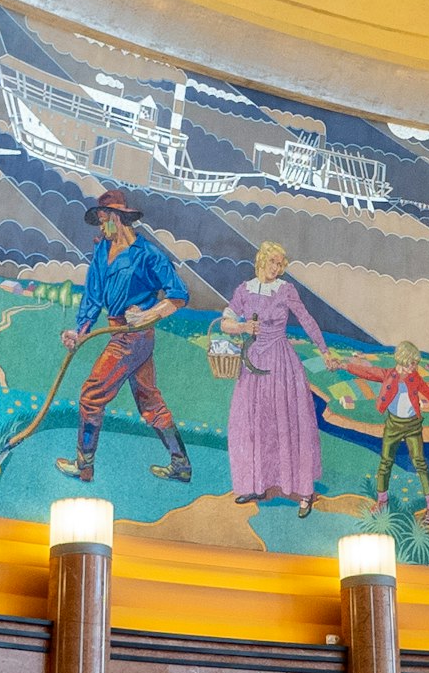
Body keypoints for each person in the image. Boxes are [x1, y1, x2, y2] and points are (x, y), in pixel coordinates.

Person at [57, 190, 203, 485]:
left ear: (117, 218)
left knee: (91, 396)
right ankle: (181, 464)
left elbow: (179, 295)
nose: (100, 227)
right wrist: (80, 331)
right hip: (120, 332)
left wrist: (148, 315)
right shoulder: (101, 250)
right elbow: (93, 296)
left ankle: (84, 466)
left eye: (103, 220)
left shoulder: (147, 254)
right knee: (149, 400)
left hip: (132, 337)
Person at [218, 240, 325, 513]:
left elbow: (307, 319)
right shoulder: (245, 290)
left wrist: (324, 351)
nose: (276, 268)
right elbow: (224, 322)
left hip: (281, 363)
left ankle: (303, 491)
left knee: (287, 422)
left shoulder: (285, 290)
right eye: (273, 262)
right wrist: (242, 325)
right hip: (253, 362)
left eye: (281, 264)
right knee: (250, 423)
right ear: (261, 260)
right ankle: (256, 484)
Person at [367, 340, 429, 524]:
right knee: (385, 463)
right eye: (413, 363)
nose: (415, 367)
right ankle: (382, 501)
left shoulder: (415, 378)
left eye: (416, 364)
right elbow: (365, 371)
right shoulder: (389, 375)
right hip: (393, 425)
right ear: (404, 361)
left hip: (413, 425)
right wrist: (342, 365)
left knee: (420, 463)